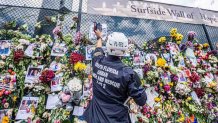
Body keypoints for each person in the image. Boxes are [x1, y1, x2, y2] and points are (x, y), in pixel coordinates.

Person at [83, 30, 147, 123]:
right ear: (125, 49)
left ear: (108, 46)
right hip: (116, 119)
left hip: (94, 117)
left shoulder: (97, 61)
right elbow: (142, 101)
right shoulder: (129, 74)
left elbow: (98, 49)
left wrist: (99, 37)